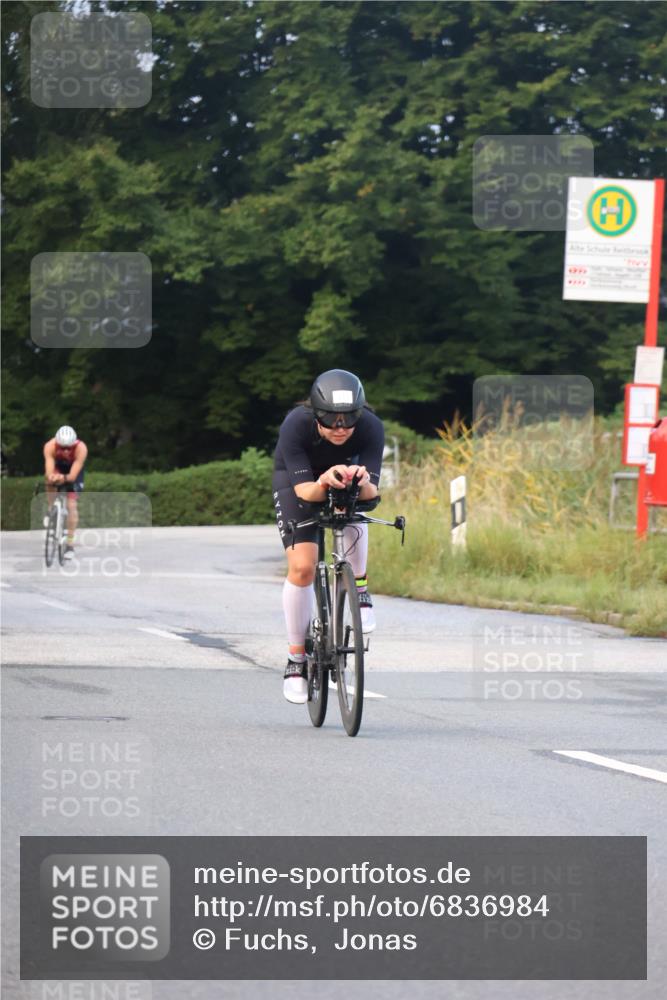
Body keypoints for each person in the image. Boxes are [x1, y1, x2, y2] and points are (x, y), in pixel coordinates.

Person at [272, 370, 384, 704]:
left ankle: (359, 590)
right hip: (299, 484)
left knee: (355, 499)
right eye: (331, 421)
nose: (340, 428)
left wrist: (359, 480)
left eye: (348, 421)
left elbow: (372, 491)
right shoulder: (296, 424)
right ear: (316, 414)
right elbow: (306, 491)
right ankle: (296, 659)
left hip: (344, 481)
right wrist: (323, 481)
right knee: (304, 569)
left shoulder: (371, 427)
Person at [43, 426, 88, 557]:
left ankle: (69, 544)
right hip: (58, 467)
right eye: (62, 447)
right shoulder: (50, 446)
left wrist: (64, 478)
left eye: (69, 447)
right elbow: (49, 470)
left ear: (74, 443)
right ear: (57, 443)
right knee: (49, 481)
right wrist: (52, 477)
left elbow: (72, 476)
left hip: (73, 470)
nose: (66, 450)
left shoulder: (81, 448)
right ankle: (51, 508)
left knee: (71, 505)